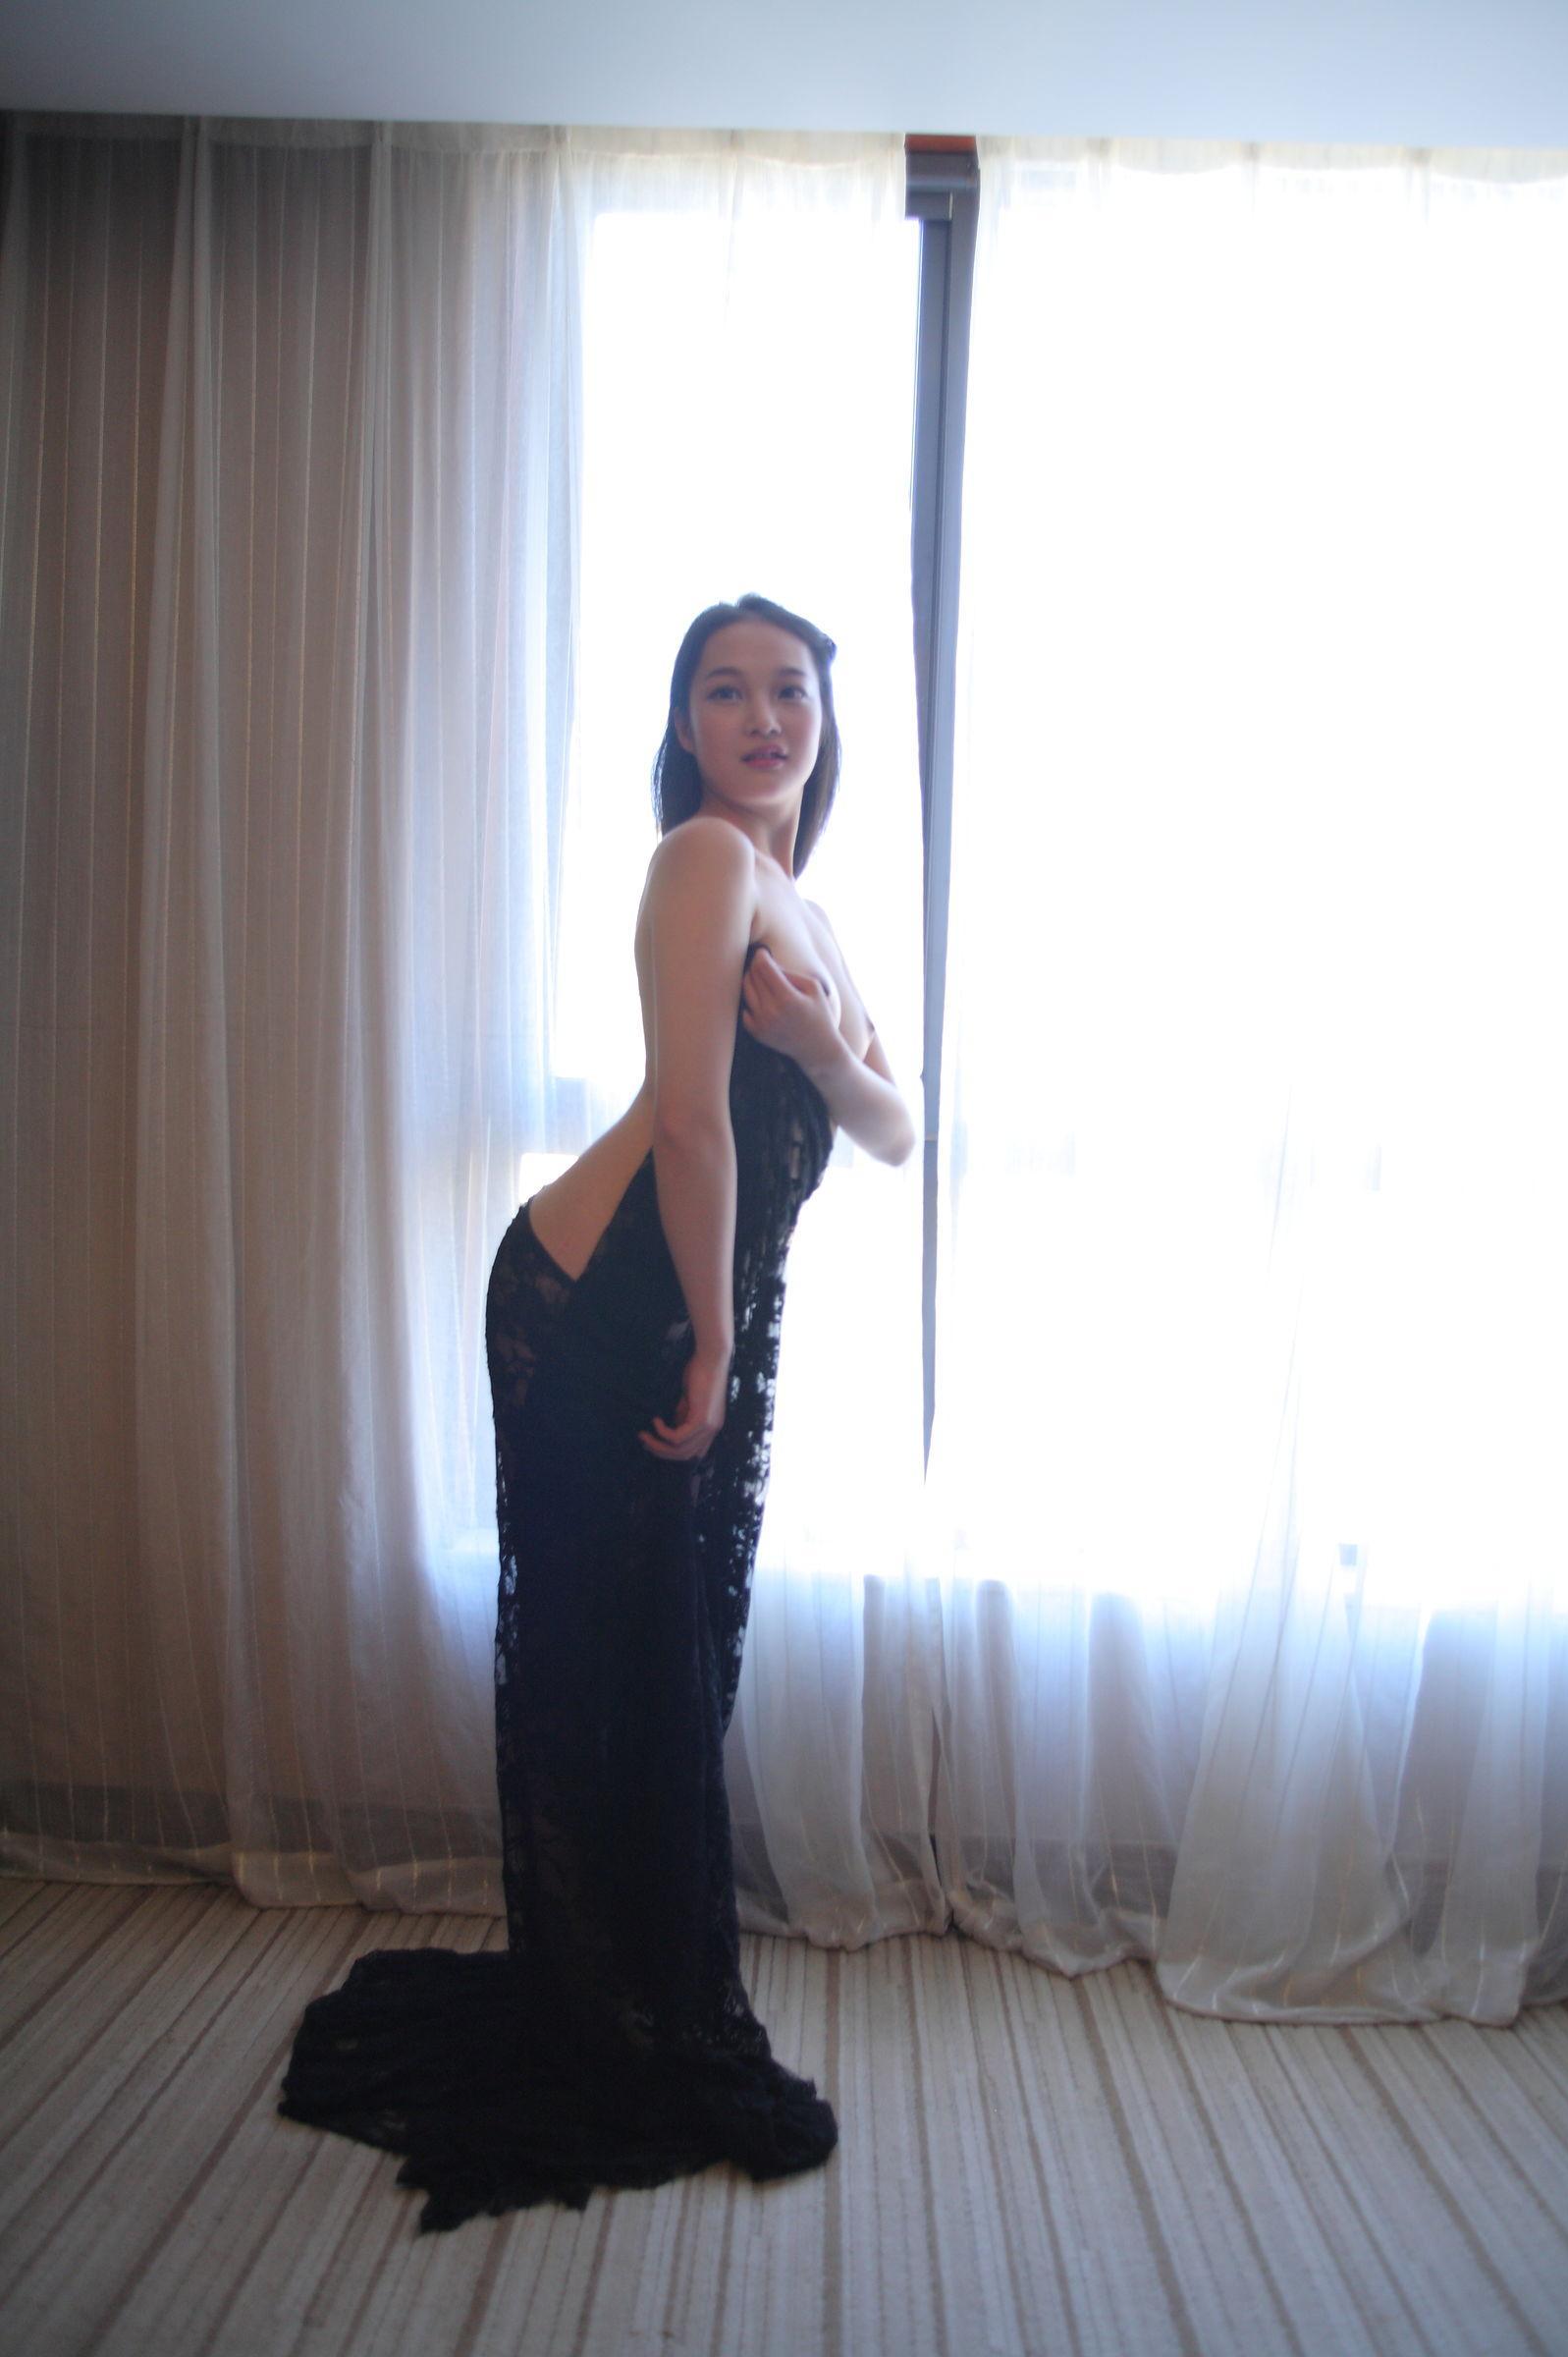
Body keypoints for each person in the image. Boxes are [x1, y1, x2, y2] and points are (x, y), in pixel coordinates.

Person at [278, 594, 916, 2231]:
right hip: (601, 1306)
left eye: (789, 690)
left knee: (667, 1657)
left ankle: (622, 1991)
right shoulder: (702, 863)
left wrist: (823, 1046)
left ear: (824, 718)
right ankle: (609, 2016)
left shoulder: (809, 909)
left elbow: (895, 1124)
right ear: (686, 725)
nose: (763, 717)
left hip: (692, 1313)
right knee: (605, 1662)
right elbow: (692, 1126)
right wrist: (712, 1340)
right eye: (727, 691)